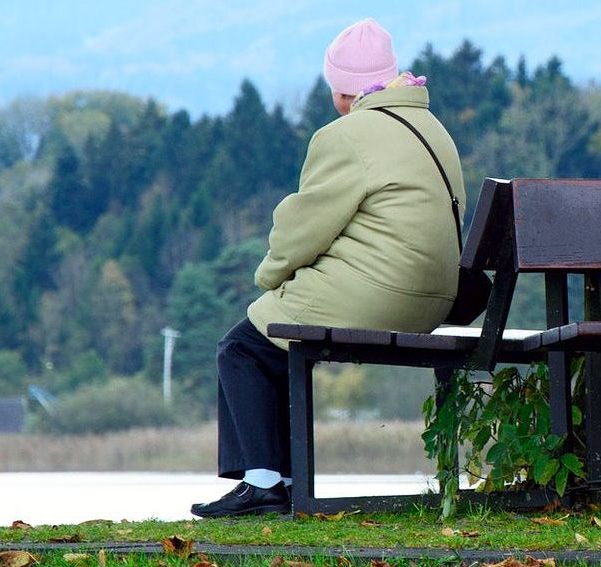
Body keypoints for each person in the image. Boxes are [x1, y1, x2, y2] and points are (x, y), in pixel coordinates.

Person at [190, 17, 466, 518]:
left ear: (343, 92)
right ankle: (282, 479)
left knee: (244, 345)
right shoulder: (433, 129)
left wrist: (271, 279)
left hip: (379, 295)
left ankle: (264, 482)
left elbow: (303, 229)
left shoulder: (347, 135)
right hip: (433, 301)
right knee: (273, 344)